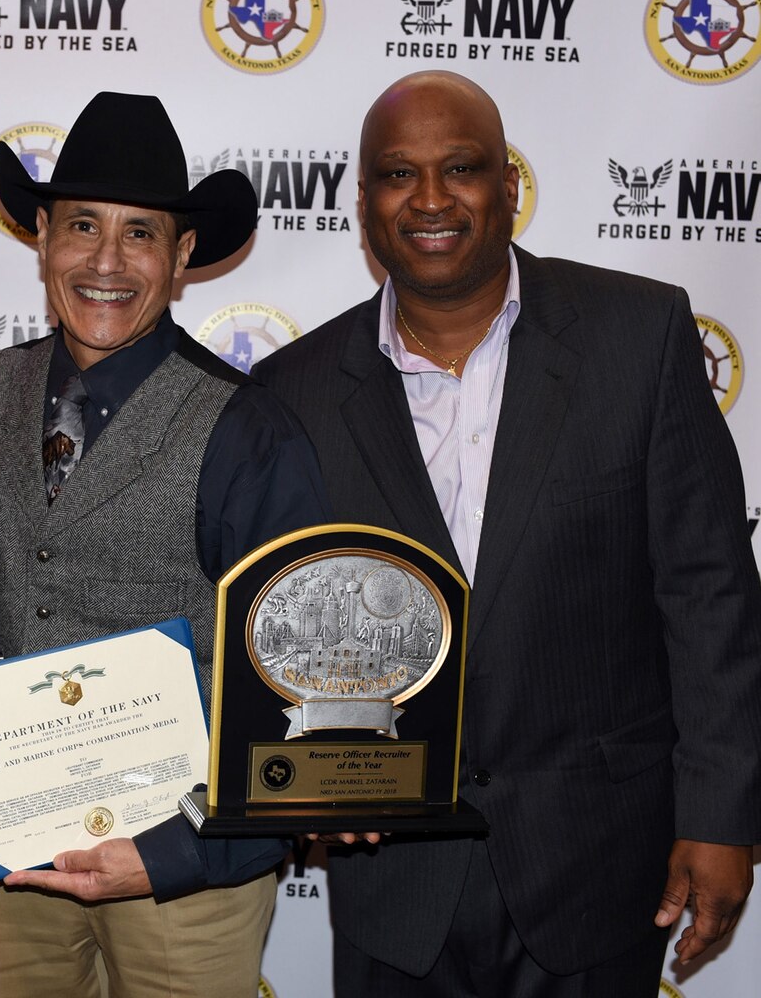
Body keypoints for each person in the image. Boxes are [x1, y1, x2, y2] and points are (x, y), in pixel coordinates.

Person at [253, 70, 761, 994]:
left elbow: (710, 592)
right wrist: (301, 779)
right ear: (363, 206)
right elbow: (279, 621)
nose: (432, 199)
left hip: (597, 861)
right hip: (391, 872)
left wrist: (723, 815)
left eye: (463, 168)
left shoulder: (637, 337)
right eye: (399, 175)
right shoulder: (293, 388)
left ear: (510, 187)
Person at [0, 91, 330, 997]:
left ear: (183, 255)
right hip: (21, 862)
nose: (106, 260)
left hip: (184, 880)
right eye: (83, 225)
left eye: (140, 233)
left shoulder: (249, 430)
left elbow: (308, 682)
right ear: (42, 237)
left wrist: (175, 850)